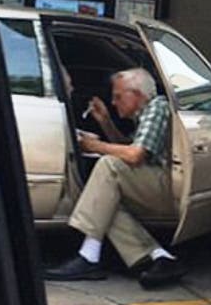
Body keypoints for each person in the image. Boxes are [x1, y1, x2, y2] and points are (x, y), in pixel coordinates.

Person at [45, 67, 187, 288]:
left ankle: (89, 255)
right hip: (154, 183)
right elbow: (128, 146)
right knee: (105, 202)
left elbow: (135, 155)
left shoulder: (157, 108)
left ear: (137, 94)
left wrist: (93, 145)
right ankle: (160, 257)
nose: (113, 101)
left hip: (169, 186)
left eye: (118, 96)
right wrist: (105, 122)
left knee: (109, 166)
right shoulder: (144, 113)